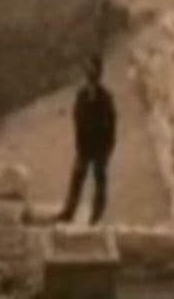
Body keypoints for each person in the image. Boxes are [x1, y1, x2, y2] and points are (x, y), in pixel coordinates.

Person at [57, 55, 117, 226]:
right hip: (84, 146)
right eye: (89, 69)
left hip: (99, 147)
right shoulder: (82, 95)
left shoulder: (106, 98)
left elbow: (111, 123)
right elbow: (77, 118)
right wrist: (79, 142)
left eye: (93, 69)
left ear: (99, 73)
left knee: (99, 181)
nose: (90, 73)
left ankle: (96, 216)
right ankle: (69, 212)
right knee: (77, 179)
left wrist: (108, 147)